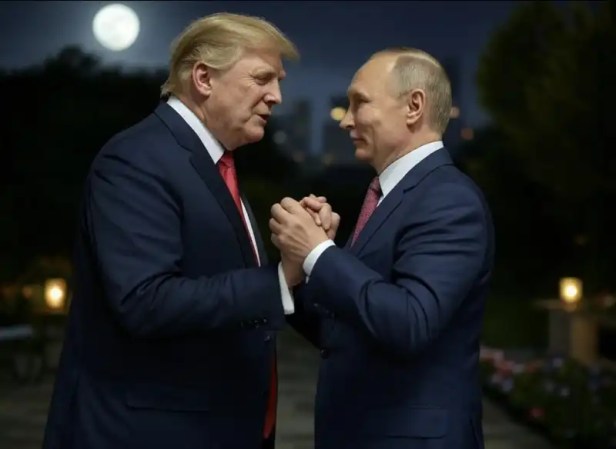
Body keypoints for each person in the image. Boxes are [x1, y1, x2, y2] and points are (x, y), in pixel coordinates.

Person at [42, 12, 327, 449]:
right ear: (204, 78)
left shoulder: (211, 162)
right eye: (262, 78)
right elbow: (145, 301)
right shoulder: (137, 159)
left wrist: (307, 253)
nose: (276, 96)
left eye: (279, 81)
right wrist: (280, 276)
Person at [270, 47, 495, 449]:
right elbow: (344, 330)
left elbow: (411, 322)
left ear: (414, 106)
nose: (347, 120)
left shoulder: (448, 198)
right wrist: (300, 266)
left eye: (360, 102)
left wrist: (320, 253)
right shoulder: (387, 195)